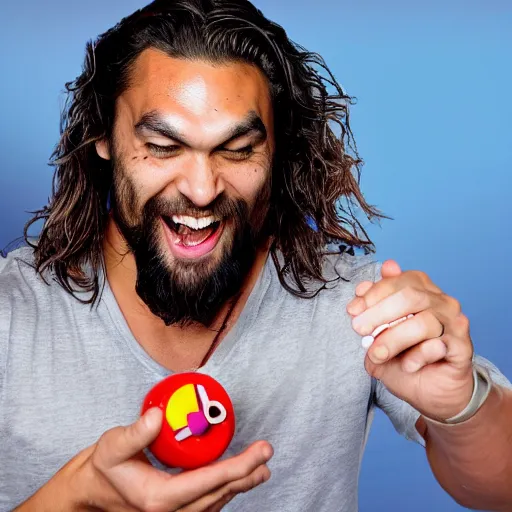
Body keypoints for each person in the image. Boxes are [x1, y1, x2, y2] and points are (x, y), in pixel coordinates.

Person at [1, 1, 511, 511]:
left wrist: (461, 404)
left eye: (238, 149)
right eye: (161, 145)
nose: (201, 190)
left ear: (277, 151)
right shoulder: (10, 313)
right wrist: (73, 498)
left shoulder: (359, 311)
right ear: (103, 137)